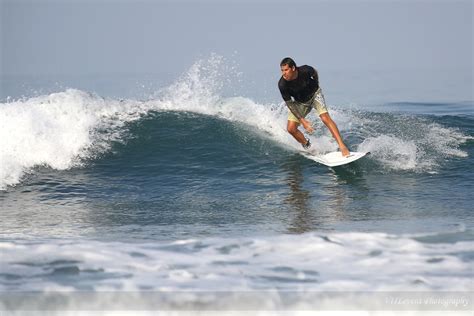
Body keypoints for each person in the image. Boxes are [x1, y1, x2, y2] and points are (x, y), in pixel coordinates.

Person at [278, 57, 350, 157]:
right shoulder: (282, 84)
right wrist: (303, 121)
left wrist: (316, 84)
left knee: (325, 118)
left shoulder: (305, 70)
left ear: (293, 68)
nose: (283, 73)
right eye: (282, 70)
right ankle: (307, 145)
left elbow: (314, 72)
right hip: (300, 103)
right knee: (291, 129)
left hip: (315, 95)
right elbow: (290, 104)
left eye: (286, 70)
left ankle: (342, 146)